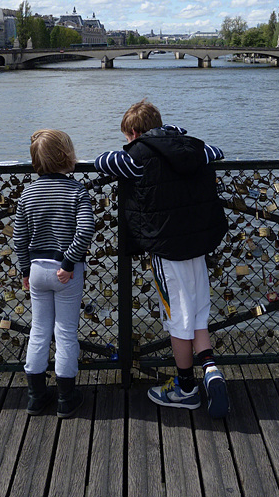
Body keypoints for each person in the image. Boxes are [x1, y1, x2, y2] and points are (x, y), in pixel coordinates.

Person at [94, 100, 229, 418]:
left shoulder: (137, 157)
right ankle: (211, 370)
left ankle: (186, 389)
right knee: (197, 313)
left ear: (134, 132)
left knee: (178, 319)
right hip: (197, 244)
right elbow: (216, 152)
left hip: (167, 249)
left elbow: (103, 162)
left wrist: (132, 147)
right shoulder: (193, 148)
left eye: (128, 137)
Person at [14, 128, 95, 417]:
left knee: (39, 330)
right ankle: (66, 397)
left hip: (37, 269)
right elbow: (85, 229)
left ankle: (35, 396)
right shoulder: (76, 191)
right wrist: (69, 262)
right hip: (66, 272)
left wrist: (25, 269)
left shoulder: (28, 193)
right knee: (65, 333)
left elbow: (19, 238)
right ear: (65, 156)